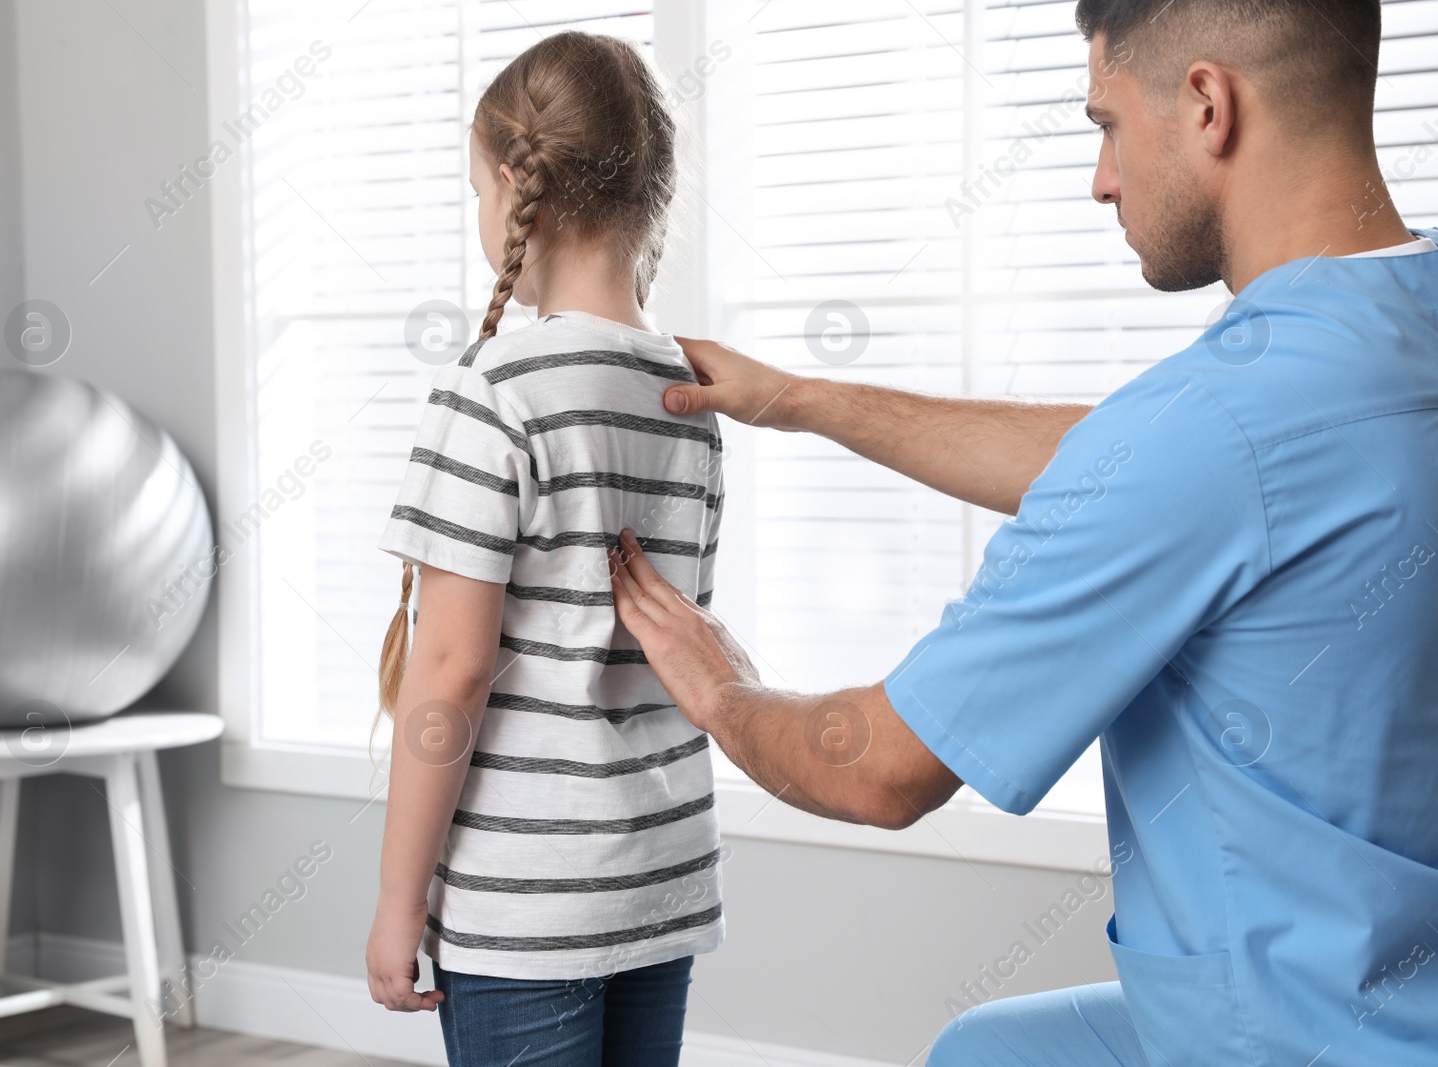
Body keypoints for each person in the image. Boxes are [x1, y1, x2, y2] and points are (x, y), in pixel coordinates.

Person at [606, 0, 1438, 1063]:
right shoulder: (1379, 339)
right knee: (982, 1051)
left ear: (1205, 104)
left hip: (1280, 1035)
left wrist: (719, 686)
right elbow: (1158, 469)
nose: (1100, 177)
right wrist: (803, 399)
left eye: (1103, 122)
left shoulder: (1205, 438)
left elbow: (879, 769)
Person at [365, 31, 725, 1067]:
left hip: (527, 910)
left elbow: (451, 666)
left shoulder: (494, 392)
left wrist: (400, 901)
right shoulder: (690, 396)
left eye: (479, 187)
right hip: (658, 871)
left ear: (520, 185)